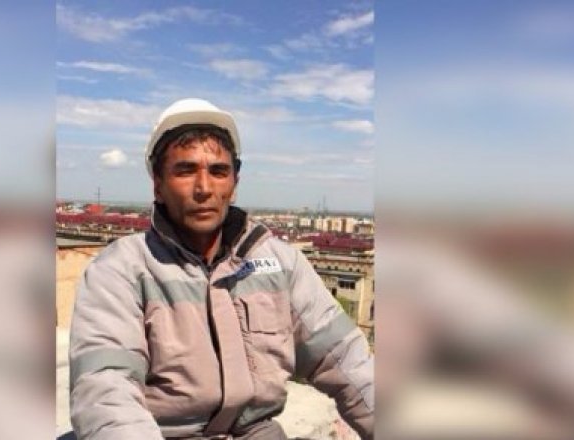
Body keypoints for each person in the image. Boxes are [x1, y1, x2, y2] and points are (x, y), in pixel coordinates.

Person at [69, 98, 374, 440]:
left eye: (218, 171)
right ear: (158, 184)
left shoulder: (281, 263)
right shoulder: (122, 270)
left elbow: (347, 362)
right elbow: (106, 394)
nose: (204, 188)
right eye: (185, 171)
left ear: (234, 183)